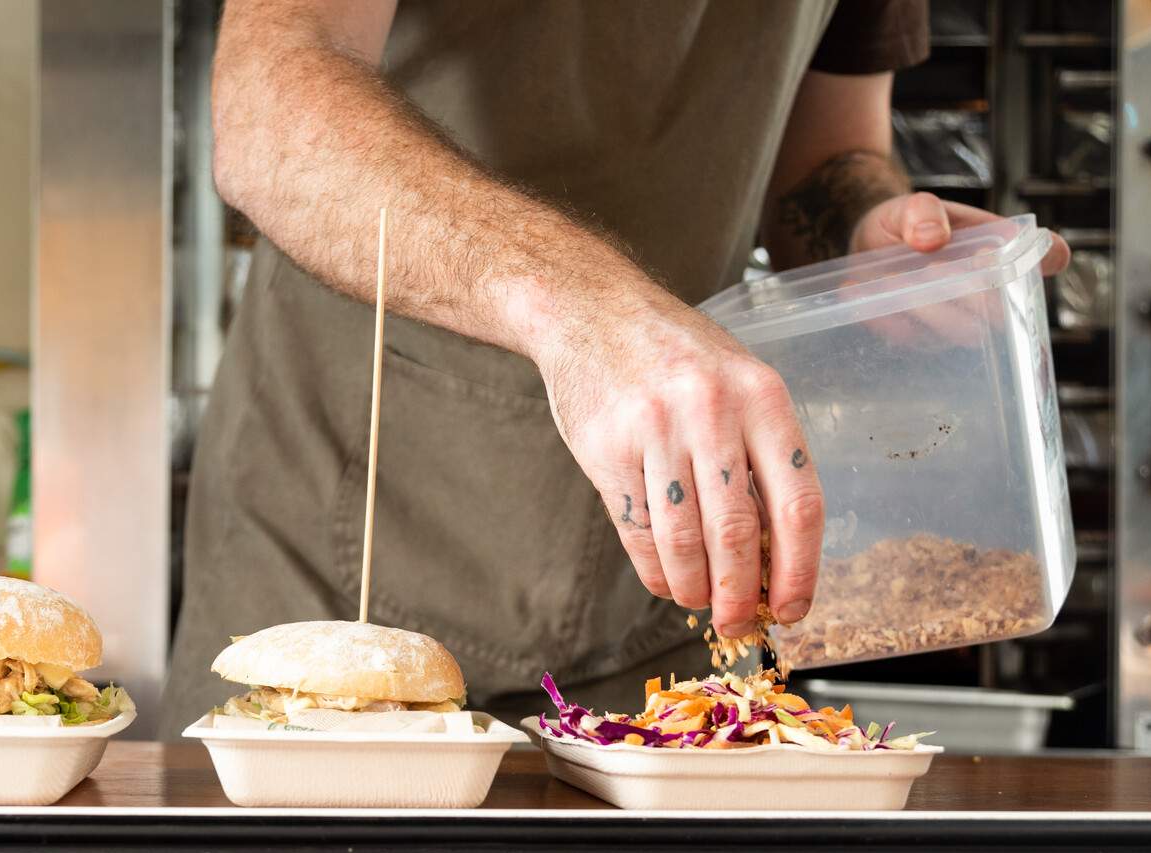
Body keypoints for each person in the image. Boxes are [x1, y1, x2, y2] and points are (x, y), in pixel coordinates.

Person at [159, 0, 1069, 735]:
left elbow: (825, 159)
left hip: (676, 595)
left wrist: (863, 235)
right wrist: (581, 309)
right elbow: (269, 112)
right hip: (338, 546)